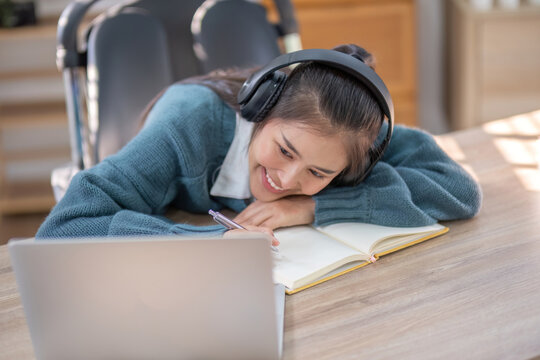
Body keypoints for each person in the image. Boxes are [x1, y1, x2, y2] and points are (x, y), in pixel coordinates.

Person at [36, 44, 481, 243]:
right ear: (261, 108)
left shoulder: (347, 135)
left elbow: (460, 191)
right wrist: (208, 244)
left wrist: (311, 207)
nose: (287, 178)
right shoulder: (186, 125)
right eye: (285, 150)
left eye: (319, 173)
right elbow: (67, 226)